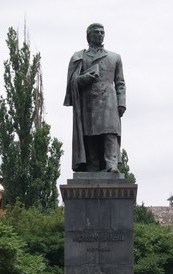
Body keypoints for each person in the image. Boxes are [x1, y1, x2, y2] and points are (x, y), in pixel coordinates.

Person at [64, 23, 126, 173]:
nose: (100, 34)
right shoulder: (79, 57)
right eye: (96, 32)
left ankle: (112, 165)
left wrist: (122, 103)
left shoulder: (115, 57)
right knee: (90, 135)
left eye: (102, 32)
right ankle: (92, 167)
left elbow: (120, 82)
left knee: (110, 132)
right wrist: (84, 78)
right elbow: (72, 83)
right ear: (88, 36)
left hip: (109, 100)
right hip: (88, 102)